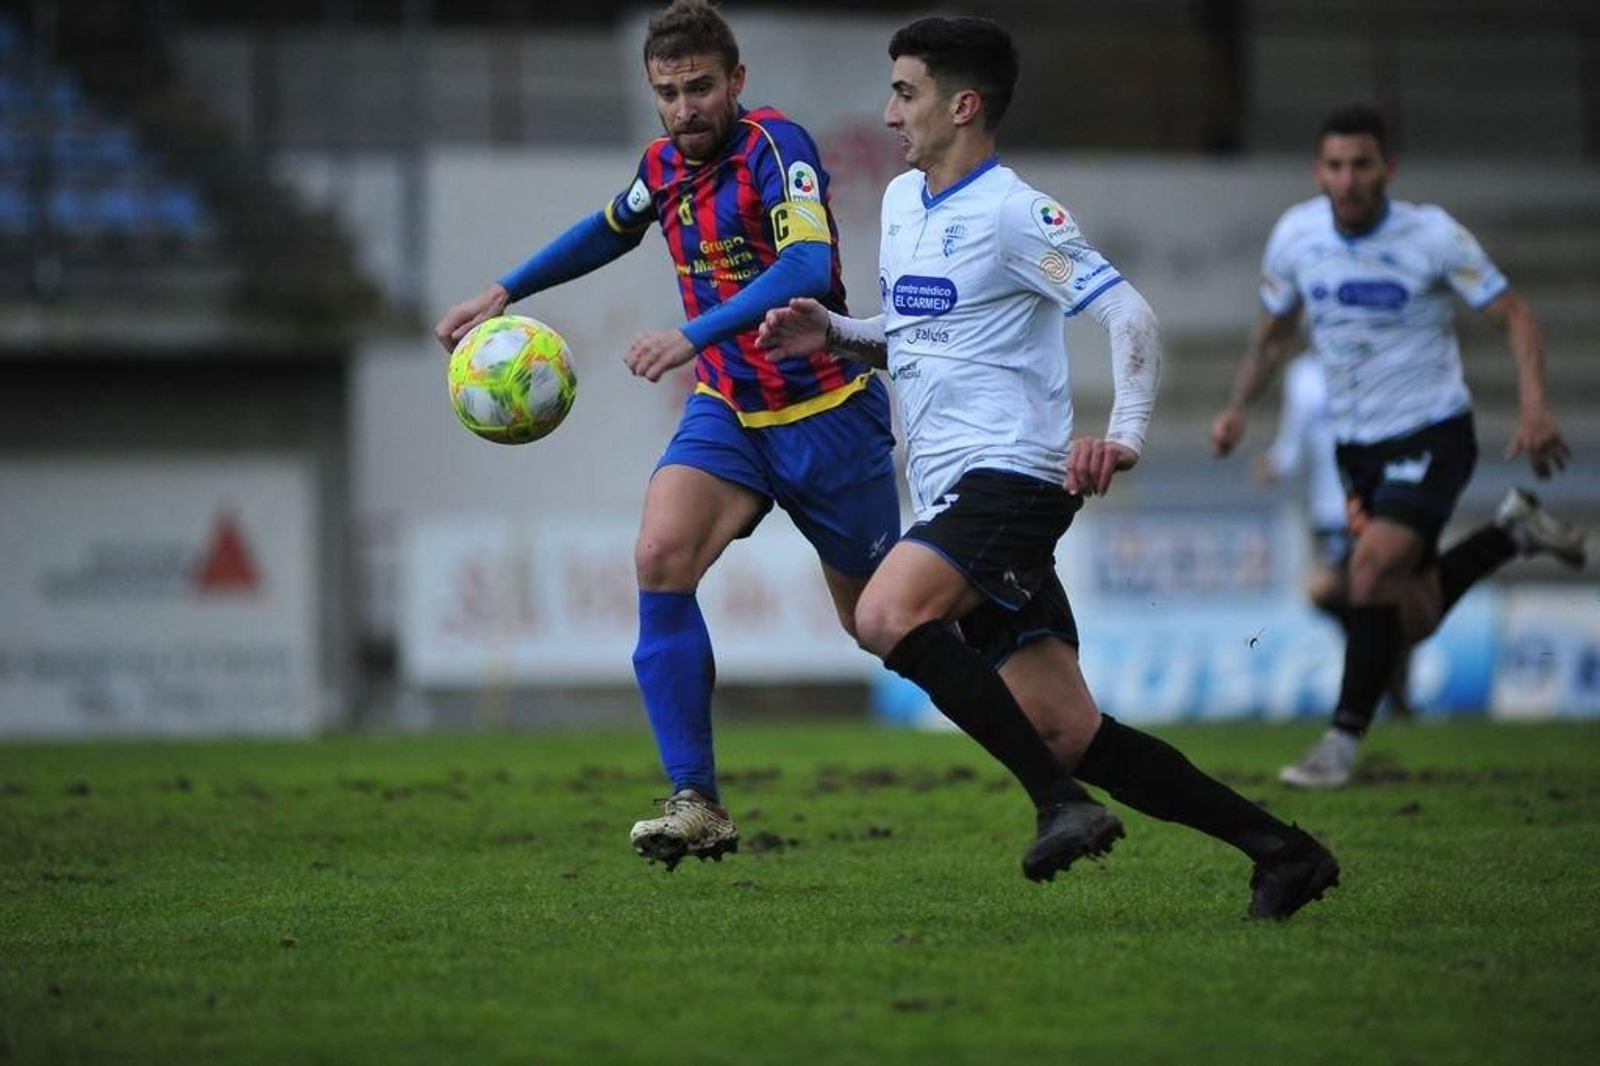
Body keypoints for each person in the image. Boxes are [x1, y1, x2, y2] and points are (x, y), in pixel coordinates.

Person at [760, 16, 1338, 919]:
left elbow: (1132, 319)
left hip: (1013, 481)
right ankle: (1285, 852)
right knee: (1065, 729)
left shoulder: (1016, 213)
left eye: (905, 92)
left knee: (884, 612)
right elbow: (916, 337)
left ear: (964, 104)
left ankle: (1060, 806)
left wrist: (1127, 436)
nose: (887, 112)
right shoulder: (908, 205)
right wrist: (834, 333)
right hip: (953, 492)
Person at [433, 0, 900, 871]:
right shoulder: (663, 164)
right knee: (658, 557)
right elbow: (612, 227)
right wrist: (504, 293)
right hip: (729, 410)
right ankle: (698, 801)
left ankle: (1031, 706)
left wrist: (694, 333)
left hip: (827, 411)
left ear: (736, 82)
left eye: (699, 88)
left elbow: (807, 267)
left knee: (883, 625)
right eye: (668, 92)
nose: (684, 108)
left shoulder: (776, 148)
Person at [1211, 105, 1588, 789]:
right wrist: (1239, 409)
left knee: (1369, 574)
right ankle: (1510, 533)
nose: (1349, 180)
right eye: (1335, 165)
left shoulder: (1433, 235)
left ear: (1387, 167)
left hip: (1431, 432)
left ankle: (1341, 743)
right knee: (1403, 616)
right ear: (1317, 171)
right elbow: (1273, 335)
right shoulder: (1296, 236)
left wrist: (1534, 406)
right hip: (1358, 452)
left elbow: (1515, 314)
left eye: (1362, 164)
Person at [1254, 353, 1413, 718]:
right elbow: (1292, 443)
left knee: (1388, 598)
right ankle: (1377, 664)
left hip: (1379, 508)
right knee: (1324, 592)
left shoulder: (1380, 361)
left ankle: (1396, 694)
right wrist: (1274, 464)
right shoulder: (1303, 374)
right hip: (1329, 514)